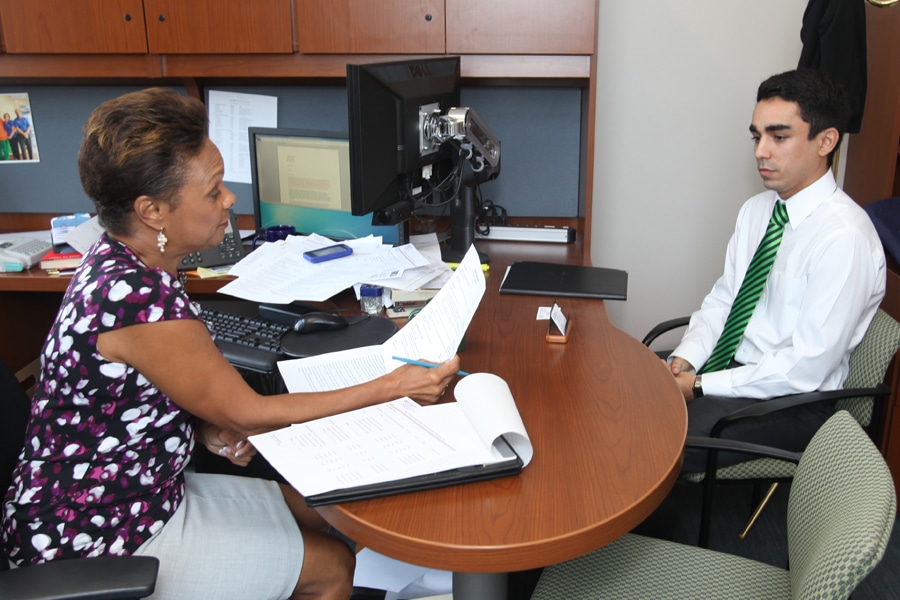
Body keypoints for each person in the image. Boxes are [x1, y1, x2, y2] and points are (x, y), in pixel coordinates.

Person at [0, 88, 461, 599]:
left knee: (323, 510)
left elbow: (126, 401)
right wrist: (394, 386)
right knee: (330, 567)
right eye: (214, 190)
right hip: (96, 531)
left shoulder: (130, 263)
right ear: (153, 210)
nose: (230, 199)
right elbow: (248, 413)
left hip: (137, 487)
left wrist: (201, 429)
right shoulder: (134, 300)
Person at [666, 69, 886, 472]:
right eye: (757, 136)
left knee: (661, 442)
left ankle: (644, 534)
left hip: (793, 399)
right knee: (634, 395)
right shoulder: (757, 211)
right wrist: (687, 358)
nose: (760, 151)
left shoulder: (845, 238)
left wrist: (698, 386)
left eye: (778, 137)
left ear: (826, 141)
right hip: (734, 367)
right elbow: (725, 299)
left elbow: (804, 368)